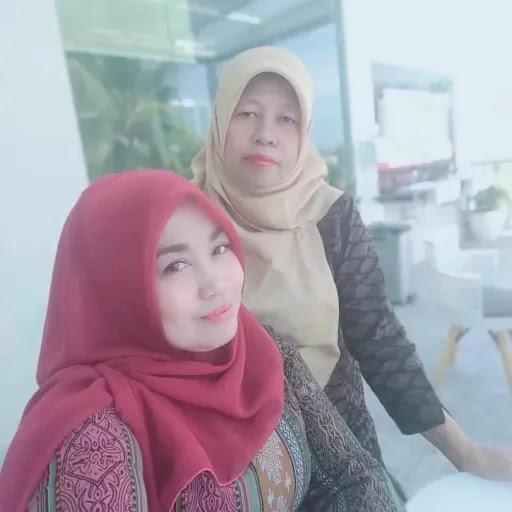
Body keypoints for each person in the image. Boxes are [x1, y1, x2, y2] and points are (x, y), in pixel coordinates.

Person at [191, 45, 512, 491]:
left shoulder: (331, 216)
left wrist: (465, 451)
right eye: (247, 113)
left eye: (287, 119)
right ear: (220, 118)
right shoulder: (185, 221)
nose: (266, 134)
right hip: (229, 460)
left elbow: (378, 338)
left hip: (336, 436)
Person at [0, 170, 405, 511]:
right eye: (176, 265)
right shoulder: (91, 436)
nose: (215, 284)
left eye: (219, 248)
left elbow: (351, 475)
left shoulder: (262, 351)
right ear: (117, 291)